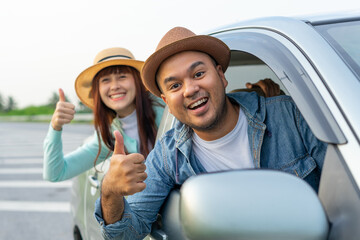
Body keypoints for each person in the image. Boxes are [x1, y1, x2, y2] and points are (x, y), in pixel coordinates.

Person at [94, 27, 327, 239]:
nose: (190, 89)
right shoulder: (168, 156)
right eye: (175, 86)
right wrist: (110, 191)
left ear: (221, 75)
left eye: (198, 74)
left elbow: (347, 197)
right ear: (166, 101)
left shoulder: (291, 116)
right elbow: (125, 235)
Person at [43, 47, 164, 182]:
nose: (114, 86)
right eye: (106, 80)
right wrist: (55, 127)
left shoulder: (166, 108)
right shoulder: (107, 136)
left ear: (138, 81)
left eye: (122, 76)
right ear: (97, 91)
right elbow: (55, 173)